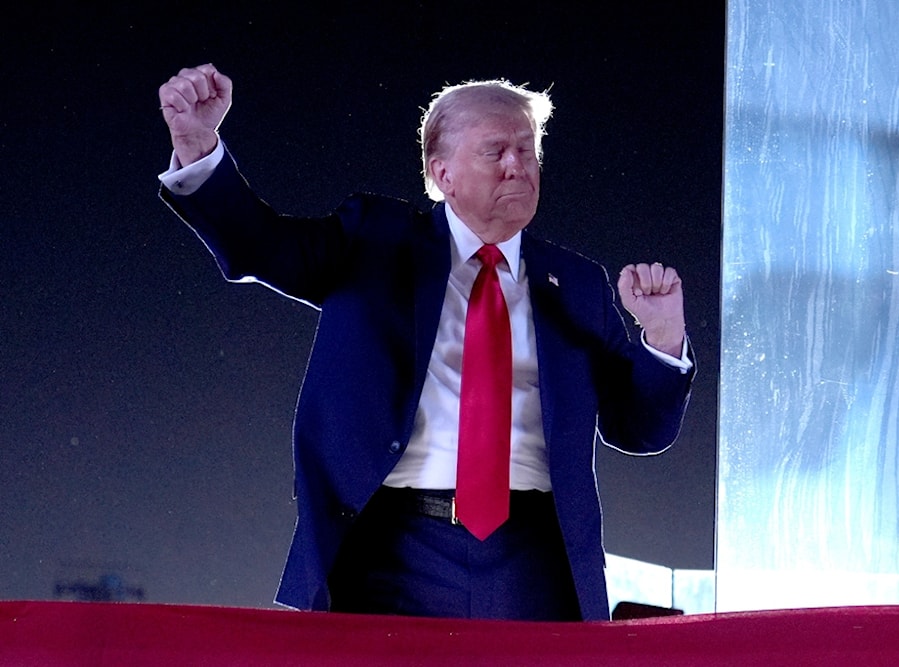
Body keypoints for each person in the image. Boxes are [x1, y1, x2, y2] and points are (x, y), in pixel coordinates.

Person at [157, 64, 694, 621]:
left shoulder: (578, 282)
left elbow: (639, 430)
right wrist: (200, 150)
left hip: (538, 561)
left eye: (527, 151)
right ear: (442, 173)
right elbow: (259, 246)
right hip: (392, 552)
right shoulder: (374, 241)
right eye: (495, 152)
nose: (518, 166)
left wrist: (660, 336)